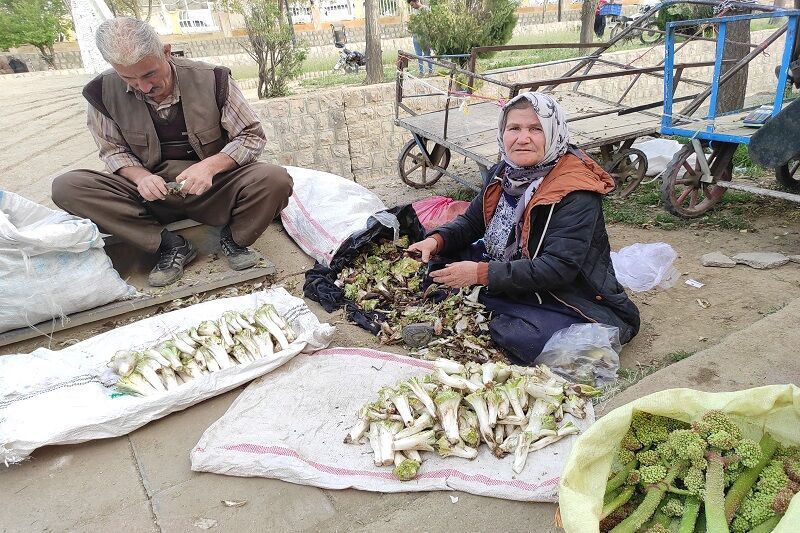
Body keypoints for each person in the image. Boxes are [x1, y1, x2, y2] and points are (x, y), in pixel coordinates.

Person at [51, 18, 293, 287]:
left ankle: (234, 240)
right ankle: (170, 244)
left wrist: (211, 167)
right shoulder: (101, 92)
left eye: (149, 74)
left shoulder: (213, 78)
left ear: (166, 52)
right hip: (150, 196)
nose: (142, 86)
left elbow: (251, 136)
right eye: (128, 77)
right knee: (67, 187)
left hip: (213, 189)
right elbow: (113, 150)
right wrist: (141, 177)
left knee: (275, 179)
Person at [408, 92, 640, 364]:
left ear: (554, 133)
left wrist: (481, 274)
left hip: (565, 291)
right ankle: (494, 300)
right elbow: (473, 221)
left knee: (525, 338)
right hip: (510, 265)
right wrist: (436, 241)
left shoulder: (576, 193)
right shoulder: (505, 172)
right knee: (435, 266)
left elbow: (558, 268)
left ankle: (496, 302)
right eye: (514, 128)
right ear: (502, 133)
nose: (522, 138)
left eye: (535, 129)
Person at [407, 0, 434, 76]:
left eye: (412, 5)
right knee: (418, 55)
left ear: (416, 2)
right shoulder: (414, 12)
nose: (412, 7)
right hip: (416, 36)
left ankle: (431, 71)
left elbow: (430, 22)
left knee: (427, 54)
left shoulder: (426, 9)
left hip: (424, 36)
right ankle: (421, 72)